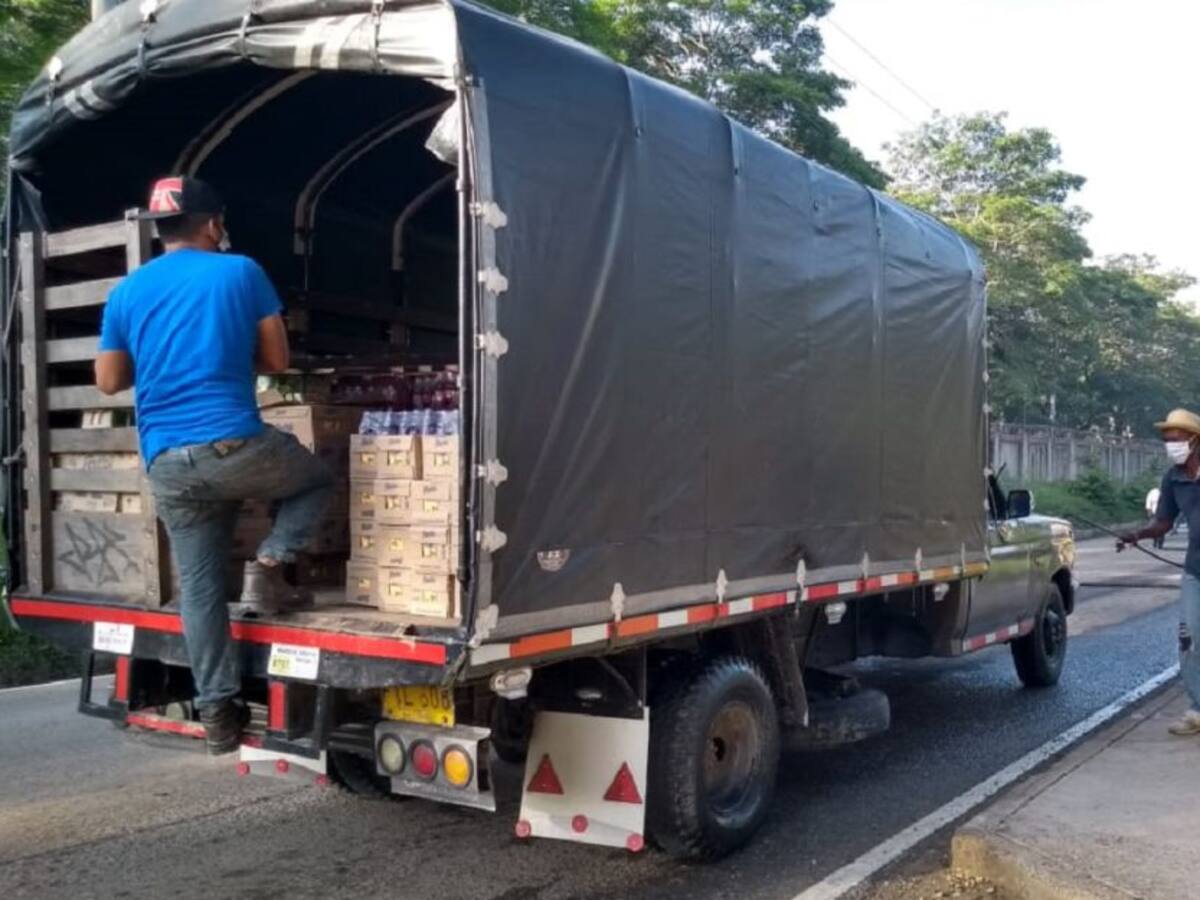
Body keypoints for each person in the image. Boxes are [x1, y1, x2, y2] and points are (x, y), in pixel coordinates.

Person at [95, 175, 334, 754]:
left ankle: (219, 713)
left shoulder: (127, 291)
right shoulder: (240, 272)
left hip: (167, 462)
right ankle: (269, 564)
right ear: (213, 224)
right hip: (233, 445)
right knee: (316, 480)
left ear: (160, 231)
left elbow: (108, 381)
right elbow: (276, 360)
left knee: (200, 589)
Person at [1117, 408, 1200, 735]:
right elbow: (1164, 521)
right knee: (1189, 639)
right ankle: (1198, 711)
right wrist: (1137, 534)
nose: (1171, 445)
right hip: (1195, 570)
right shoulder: (1173, 478)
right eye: (1167, 440)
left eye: (1176, 439)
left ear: (1194, 440)